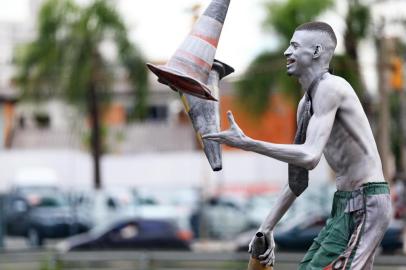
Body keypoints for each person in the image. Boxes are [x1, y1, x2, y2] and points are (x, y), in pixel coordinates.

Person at [203, 21, 391, 270]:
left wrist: (248, 143)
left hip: (367, 200)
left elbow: (311, 156)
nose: (286, 53)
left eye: (294, 46)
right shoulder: (306, 106)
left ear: (315, 51)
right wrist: (266, 227)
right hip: (345, 202)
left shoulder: (331, 87)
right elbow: (298, 178)